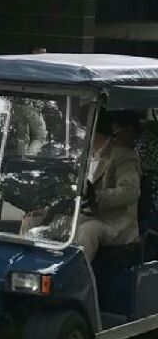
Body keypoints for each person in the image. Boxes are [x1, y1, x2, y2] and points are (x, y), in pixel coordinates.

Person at [74, 110, 142, 262]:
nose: (80, 135)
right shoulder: (83, 157)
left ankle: (78, 280)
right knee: (35, 222)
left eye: (82, 130)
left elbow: (130, 191)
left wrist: (97, 197)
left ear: (95, 132)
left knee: (88, 231)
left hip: (115, 223)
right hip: (87, 215)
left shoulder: (122, 155)